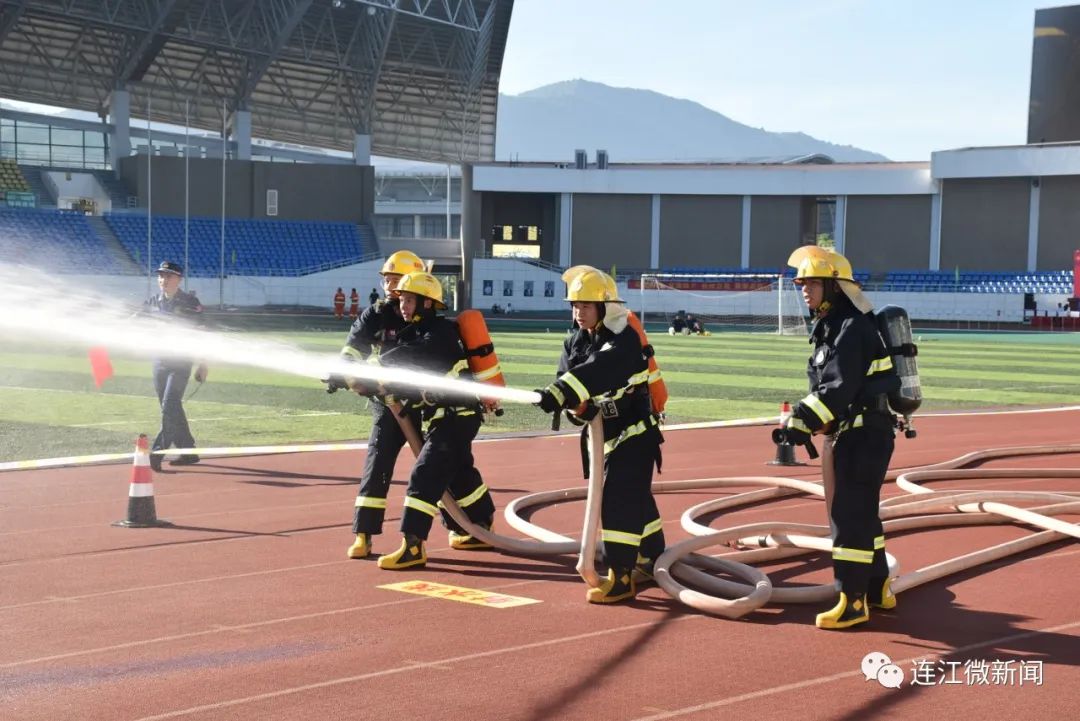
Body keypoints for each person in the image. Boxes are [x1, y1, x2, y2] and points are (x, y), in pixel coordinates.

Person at [779, 246, 899, 630]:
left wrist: (799, 422)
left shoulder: (850, 328)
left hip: (863, 435)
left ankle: (852, 600)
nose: (804, 290)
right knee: (862, 514)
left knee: (847, 517)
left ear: (834, 286)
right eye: (802, 283)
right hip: (862, 433)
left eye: (812, 282)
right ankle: (878, 589)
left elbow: (836, 388)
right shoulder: (836, 325)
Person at [534, 268, 665, 604]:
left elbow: (601, 369)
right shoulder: (575, 341)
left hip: (636, 433)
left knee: (617, 498)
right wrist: (571, 405)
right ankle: (652, 558)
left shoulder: (624, 339)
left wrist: (562, 390)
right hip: (604, 436)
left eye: (586, 306)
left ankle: (621, 577)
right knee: (634, 495)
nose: (578, 313)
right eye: (575, 306)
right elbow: (569, 378)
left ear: (605, 308)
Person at [372, 271, 496, 570]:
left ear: (428, 304)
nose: (403, 305)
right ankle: (481, 523)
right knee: (459, 473)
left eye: (411, 300)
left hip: (458, 417)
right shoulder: (414, 333)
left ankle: (413, 546)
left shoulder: (441, 333)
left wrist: (378, 365)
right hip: (445, 417)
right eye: (402, 299)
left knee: (424, 475)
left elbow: (421, 357)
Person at [336, 250, 427, 560]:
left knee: (441, 470)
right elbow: (354, 346)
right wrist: (344, 372)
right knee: (377, 466)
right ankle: (364, 535)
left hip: (424, 405)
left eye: (396, 280)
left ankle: (467, 525)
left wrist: (379, 364)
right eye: (387, 280)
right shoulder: (375, 313)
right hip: (388, 404)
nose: (390, 287)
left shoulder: (426, 314)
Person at [145, 261, 208, 471]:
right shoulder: (153, 301)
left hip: (180, 363)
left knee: (170, 405)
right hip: (159, 363)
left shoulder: (190, 302)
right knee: (170, 407)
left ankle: (158, 451)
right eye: (161, 276)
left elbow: (202, 333)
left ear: (179, 279)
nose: (163, 280)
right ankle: (188, 451)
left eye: (168, 276)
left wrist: (203, 363)